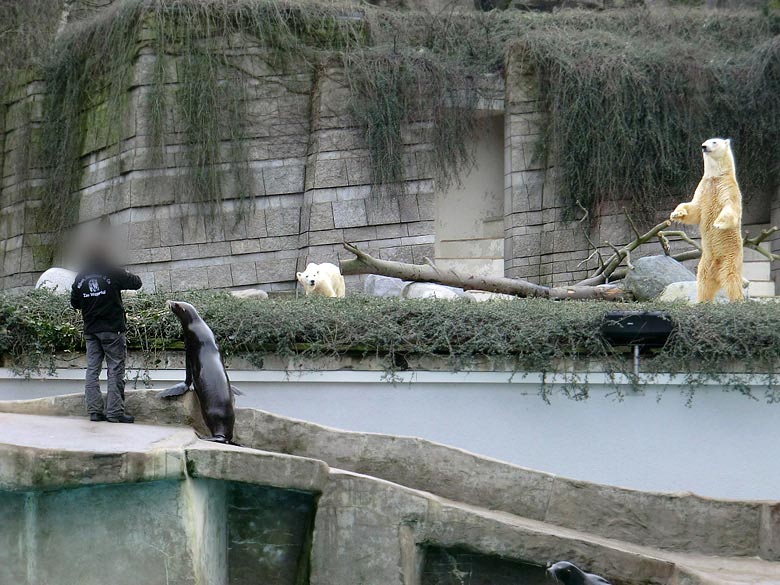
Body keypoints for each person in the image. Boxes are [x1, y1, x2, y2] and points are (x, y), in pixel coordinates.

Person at [70, 242, 142, 423]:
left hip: (91, 331)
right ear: (105, 255)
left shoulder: (80, 278)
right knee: (115, 369)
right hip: (112, 331)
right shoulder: (112, 272)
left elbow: (75, 303)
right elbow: (137, 283)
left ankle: (95, 412)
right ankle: (114, 413)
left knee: (92, 370)